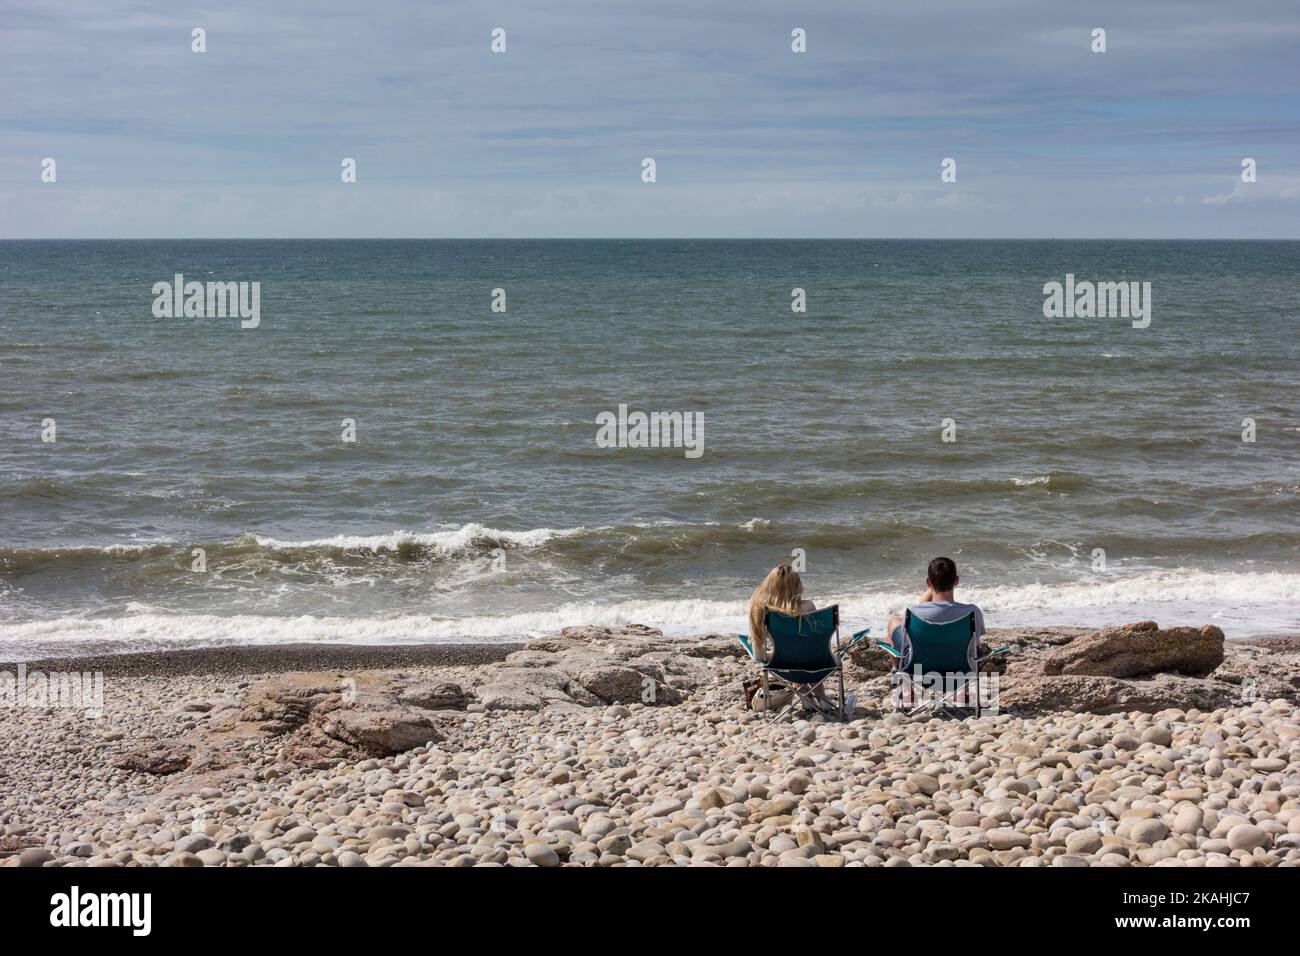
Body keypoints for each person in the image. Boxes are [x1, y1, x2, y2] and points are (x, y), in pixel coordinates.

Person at [884, 556, 985, 672]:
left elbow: (921, 605)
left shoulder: (913, 612)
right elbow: (975, 644)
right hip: (960, 672)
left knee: (893, 622)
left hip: (919, 672)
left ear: (928, 582)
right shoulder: (972, 612)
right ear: (957, 580)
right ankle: (963, 688)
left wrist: (934, 584)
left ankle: (899, 670)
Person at [747, 564, 815, 664]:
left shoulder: (759, 609)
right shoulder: (808, 606)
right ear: (797, 586)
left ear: (769, 585)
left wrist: (773, 654)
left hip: (779, 662)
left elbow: (758, 657)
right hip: (810, 662)